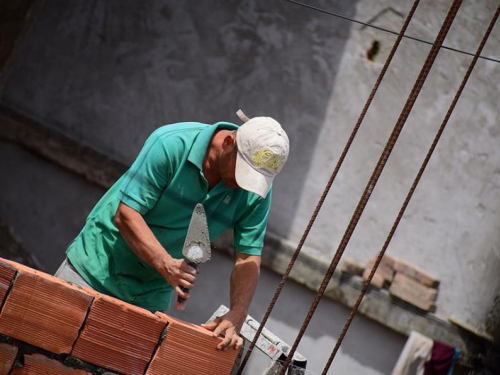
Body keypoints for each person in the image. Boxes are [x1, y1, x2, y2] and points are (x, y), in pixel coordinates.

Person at [55, 110, 289, 351]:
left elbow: (248, 256)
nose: (244, 183)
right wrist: (166, 264)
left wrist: (238, 312)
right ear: (229, 142)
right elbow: (126, 215)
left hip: (149, 296)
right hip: (94, 270)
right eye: (243, 172)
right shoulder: (171, 143)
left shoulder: (254, 190)